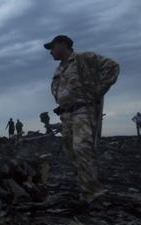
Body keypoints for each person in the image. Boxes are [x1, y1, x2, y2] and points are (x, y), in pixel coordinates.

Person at [44, 35, 119, 203]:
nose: (50, 52)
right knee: (71, 153)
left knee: (82, 148)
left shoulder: (83, 58)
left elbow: (113, 67)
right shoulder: (59, 69)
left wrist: (97, 91)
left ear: (63, 45)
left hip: (82, 111)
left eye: (52, 47)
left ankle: (94, 193)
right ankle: (84, 189)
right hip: (66, 115)